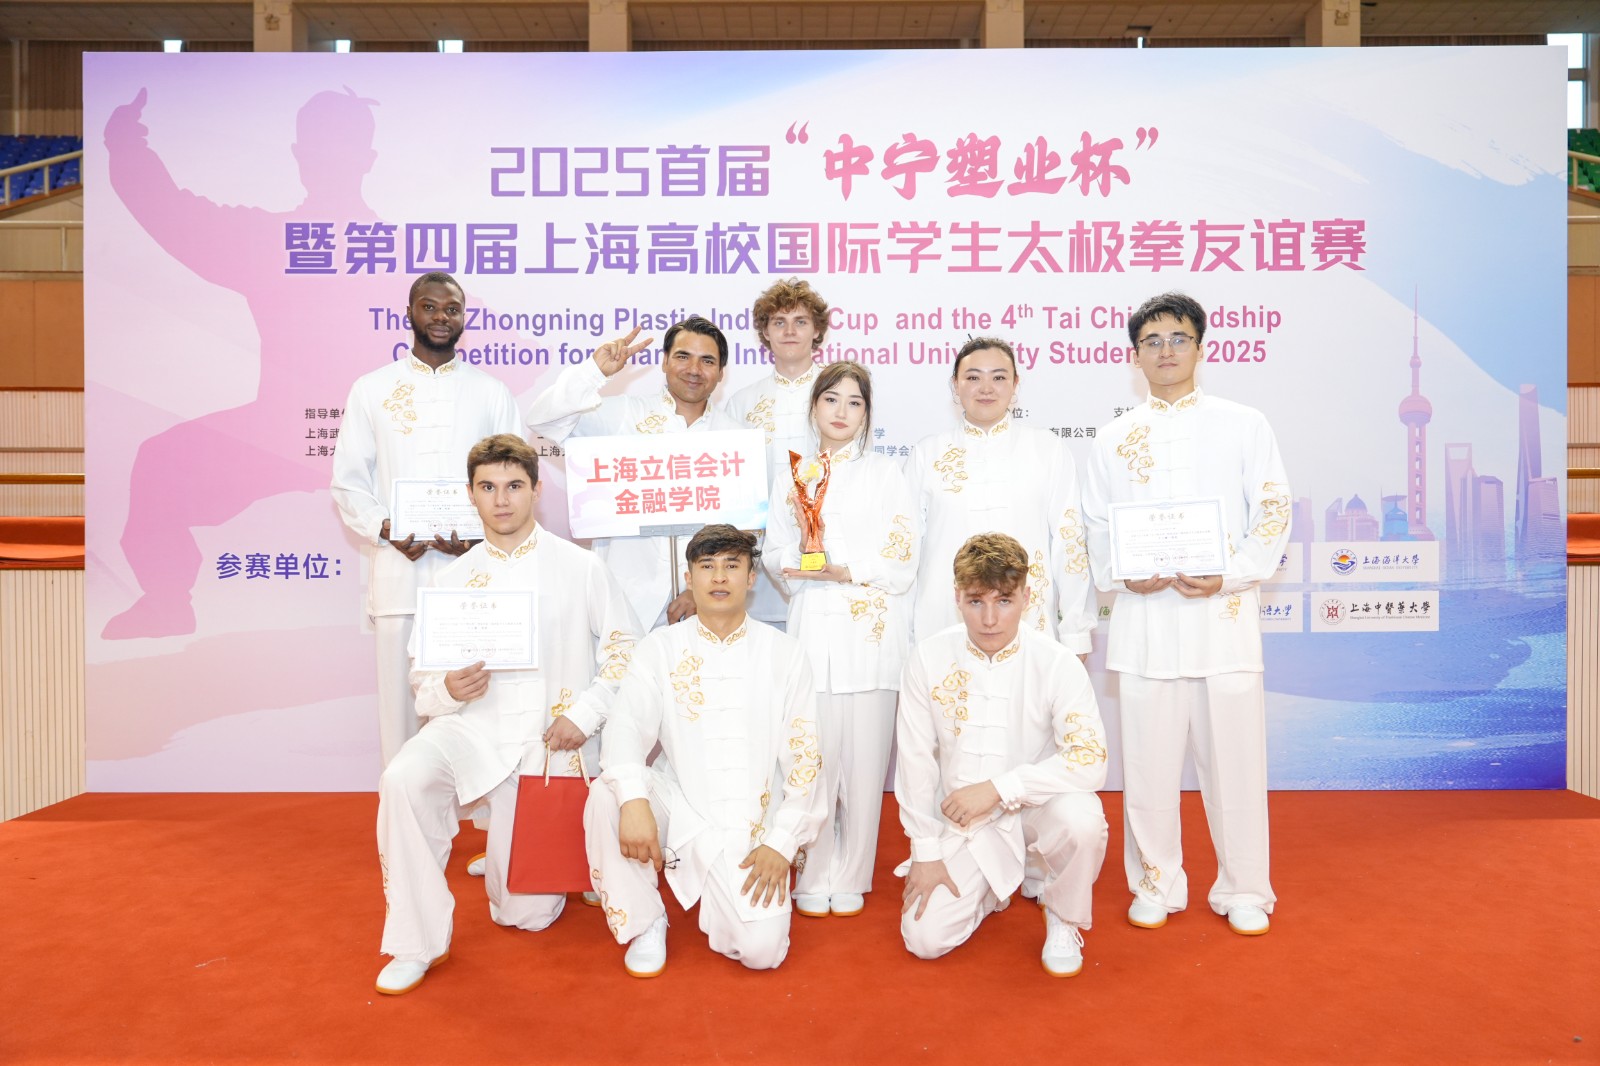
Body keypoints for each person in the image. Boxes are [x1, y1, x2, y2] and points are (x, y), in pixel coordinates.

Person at [373, 434, 642, 995]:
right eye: (488, 487)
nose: (502, 500)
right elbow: (423, 681)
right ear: (470, 494)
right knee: (402, 778)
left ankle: (527, 851)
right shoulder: (450, 580)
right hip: (470, 731)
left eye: (514, 486)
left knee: (524, 915)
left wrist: (586, 713)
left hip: (545, 750)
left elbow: (626, 650)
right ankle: (416, 942)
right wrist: (447, 687)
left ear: (537, 491)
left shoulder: (581, 566)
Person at [1082, 291, 1291, 937]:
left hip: (1223, 623)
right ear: (1134, 356)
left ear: (1200, 347)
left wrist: (1232, 574)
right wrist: (1122, 573)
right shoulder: (1114, 438)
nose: (1165, 350)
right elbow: (1094, 526)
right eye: (1152, 341)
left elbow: (1274, 510)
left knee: (1236, 767)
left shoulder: (1244, 424)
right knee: (1146, 769)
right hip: (1146, 626)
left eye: (1178, 338)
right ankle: (1156, 883)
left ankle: (1245, 888)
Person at [583, 525, 825, 976]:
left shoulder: (785, 653)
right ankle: (645, 922)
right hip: (683, 809)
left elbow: (805, 758)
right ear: (689, 577)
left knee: (762, 953)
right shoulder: (660, 648)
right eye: (707, 566)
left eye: (732, 565)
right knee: (608, 795)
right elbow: (625, 729)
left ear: (751, 577)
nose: (719, 577)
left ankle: (723, 891)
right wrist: (634, 801)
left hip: (753, 827)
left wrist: (781, 842)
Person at [330, 272, 523, 767]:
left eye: (452, 309)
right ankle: (402, 811)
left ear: (464, 317)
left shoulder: (491, 392)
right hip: (401, 572)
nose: (441, 317)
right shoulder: (372, 389)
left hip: (477, 572)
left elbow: (514, 479)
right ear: (410, 313)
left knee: (477, 704)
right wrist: (388, 529)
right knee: (399, 711)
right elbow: (349, 481)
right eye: (430, 307)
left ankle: (482, 811)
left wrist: (479, 536)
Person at [895, 533, 1109, 977]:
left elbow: (1090, 759)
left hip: (1036, 807)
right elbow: (915, 762)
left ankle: (1063, 915)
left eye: (1004, 601)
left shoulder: (1056, 662)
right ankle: (993, 887)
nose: (990, 619)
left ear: (1027, 598)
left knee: (1082, 820)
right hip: (965, 822)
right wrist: (925, 852)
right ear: (957, 597)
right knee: (924, 939)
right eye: (976, 602)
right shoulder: (928, 658)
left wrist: (998, 788)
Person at [762, 361, 917, 919]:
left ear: (867, 414)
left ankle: (853, 873)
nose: (842, 412)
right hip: (814, 630)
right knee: (814, 759)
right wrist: (804, 558)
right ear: (814, 408)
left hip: (871, 634)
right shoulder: (794, 475)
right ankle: (814, 868)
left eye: (855, 402)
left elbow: (903, 558)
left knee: (866, 765)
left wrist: (843, 569)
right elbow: (773, 554)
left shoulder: (887, 473)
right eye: (832, 399)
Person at [526, 316, 742, 629]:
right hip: (624, 602)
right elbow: (542, 420)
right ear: (665, 362)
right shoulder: (621, 414)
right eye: (683, 356)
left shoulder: (735, 436)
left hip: (704, 609)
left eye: (707, 361)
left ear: (721, 373)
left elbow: (747, 533)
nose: (694, 370)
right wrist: (594, 372)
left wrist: (700, 589)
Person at [905, 337, 1095, 657]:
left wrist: (1076, 632)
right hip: (942, 622)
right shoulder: (927, 454)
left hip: (1029, 623)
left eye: (998, 377)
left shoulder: (1046, 450)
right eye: (973, 377)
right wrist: (907, 640)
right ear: (955, 385)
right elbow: (907, 554)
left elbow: (1070, 543)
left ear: (1015, 384)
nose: (986, 388)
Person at [728, 278, 833, 630]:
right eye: (779, 322)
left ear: (817, 331)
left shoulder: (840, 394)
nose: (790, 331)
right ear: (765, 332)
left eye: (800, 321)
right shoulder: (742, 402)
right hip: (757, 548)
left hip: (828, 542)